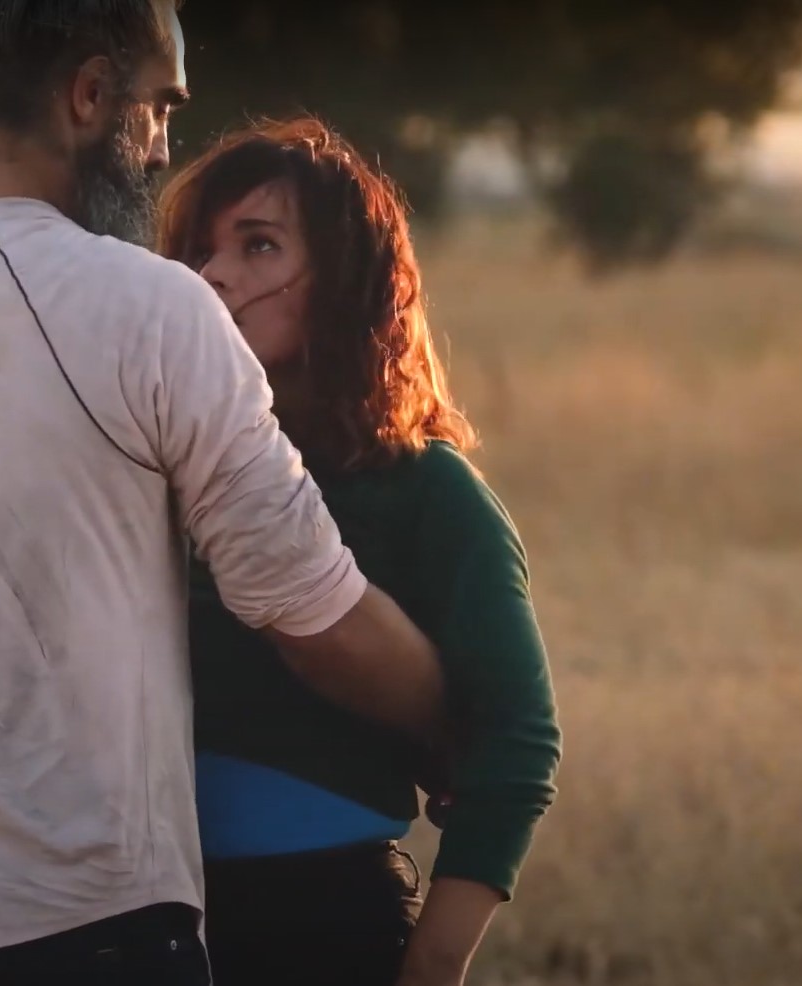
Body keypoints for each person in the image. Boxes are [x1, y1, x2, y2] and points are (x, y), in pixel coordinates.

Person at [0, 4, 443, 984]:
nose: (161, 149)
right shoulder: (148, 306)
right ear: (89, 94)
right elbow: (305, 606)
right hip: (84, 927)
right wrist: (458, 716)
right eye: (159, 106)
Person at [157, 116, 563, 986]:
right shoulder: (150, 481)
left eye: (257, 246)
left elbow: (517, 736)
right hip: (137, 920)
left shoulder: (423, 489)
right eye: (196, 252)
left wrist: (434, 960)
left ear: (343, 280)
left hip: (320, 918)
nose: (213, 275)